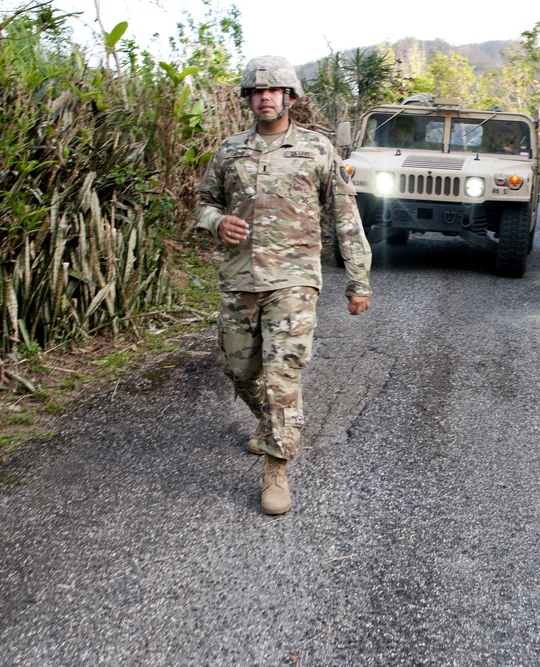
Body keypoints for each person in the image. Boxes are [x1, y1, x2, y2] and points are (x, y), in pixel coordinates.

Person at [195, 55, 372, 515]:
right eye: (257, 91)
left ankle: (276, 468)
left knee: (281, 375)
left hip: (294, 281)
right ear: (248, 99)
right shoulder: (230, 150)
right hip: (239, 279)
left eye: (274, 90)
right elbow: (203, 201)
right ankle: (272, 422)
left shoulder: (316, 150)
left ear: (290, 97)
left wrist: (358, 280)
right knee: (238, 369)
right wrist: (217, 222)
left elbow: (346, 216)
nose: (265, 97)